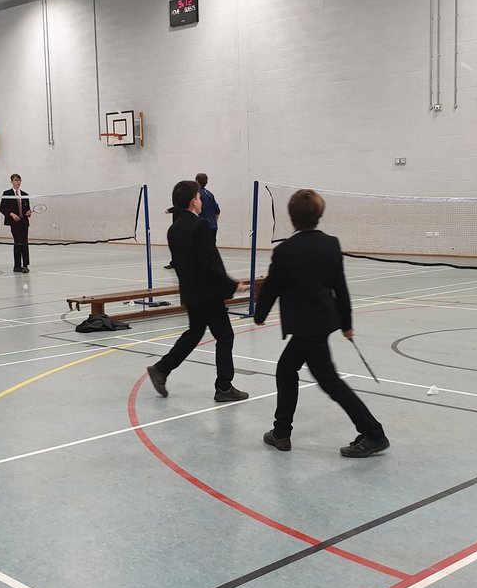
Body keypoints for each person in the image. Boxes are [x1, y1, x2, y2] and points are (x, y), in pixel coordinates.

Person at [254, 188, 389, 458]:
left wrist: (259, 315)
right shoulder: (331, 244)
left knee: (328, 381)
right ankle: (281, 432)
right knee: (287, 370)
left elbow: (272, 288)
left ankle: (374, 433)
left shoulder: (284, 251)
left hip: (306, 328)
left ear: (292, 218)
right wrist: (346, 323)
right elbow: (341, 287)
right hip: (321, 323)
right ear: (319, 216)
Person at [146, 180, 249, 403]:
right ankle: (224, 387)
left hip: (191, 292)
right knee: (225, 335)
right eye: (200, 198)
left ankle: (161, 369)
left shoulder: (174, 229)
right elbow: (211, 263)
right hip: (208, 293)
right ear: (194, 201)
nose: (201, 201)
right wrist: (232, 285)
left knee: (195, 332)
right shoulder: (200, 226)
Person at [0, 173, 32, 273]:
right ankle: (17, 266)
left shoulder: (25, 195)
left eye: (19, 180)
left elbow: (28, 209)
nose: (18, 182)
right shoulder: (7, 193)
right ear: (12, 182)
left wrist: (28, 212)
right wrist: (11, 214)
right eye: (15, 180)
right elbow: (2, 208)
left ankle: (25, 265)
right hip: (14, 222)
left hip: (24, 222)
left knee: (25, 242)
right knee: (18, 242)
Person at [163, 205, 182, 269]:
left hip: (180, 227)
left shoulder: (182, 205)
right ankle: (174, 263)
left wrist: (170, 210)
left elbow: (179, 207)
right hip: (176, 225)